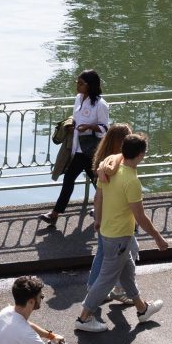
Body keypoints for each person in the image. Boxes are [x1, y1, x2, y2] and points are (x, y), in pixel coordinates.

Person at [75, 134, 167, 330]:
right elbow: (140, 217)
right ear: (141, 155)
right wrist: (158, 238)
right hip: (120, 237)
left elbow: (97, 198)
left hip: (107, 231)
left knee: (127, 270)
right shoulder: (131, 181)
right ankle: (83, 318)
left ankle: (142, 309)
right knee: (106, 279)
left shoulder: (108, 168)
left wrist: (98, 220)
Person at [43, 70, 111, 227]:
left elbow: (105, 129)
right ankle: (106, 208)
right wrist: (71, 124)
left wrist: (89, 127)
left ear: (90, 86)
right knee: (98, 181)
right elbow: (76, 117)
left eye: (81, 83)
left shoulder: (100, 104)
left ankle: (55, 214)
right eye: (77, 82)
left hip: (90, 150)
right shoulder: (78, 99)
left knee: (70, 179)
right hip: (77, 147)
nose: (77, 86)